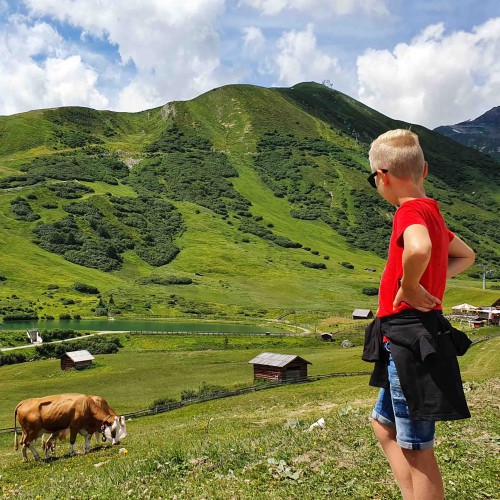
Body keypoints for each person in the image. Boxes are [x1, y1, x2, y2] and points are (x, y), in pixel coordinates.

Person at [362, 129, 476, 500]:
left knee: (417, 449)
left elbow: (419, 247)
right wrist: (431, 277)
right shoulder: (432, 213)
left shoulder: (408, 211)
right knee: (384, 426)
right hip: (408, 338)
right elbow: (466, 256)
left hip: (410, 341)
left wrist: (411, 285)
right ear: (424, 170)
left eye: (373, 179)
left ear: (383, 176)